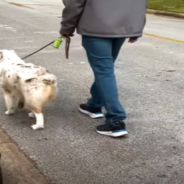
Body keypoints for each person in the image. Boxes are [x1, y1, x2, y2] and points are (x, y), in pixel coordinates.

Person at [60, 0, 147, 137]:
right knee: (105, 70)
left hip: (95, 27)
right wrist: (136, 28)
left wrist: (67, 28)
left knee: (104, 71)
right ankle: (94, 105)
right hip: (123, 27)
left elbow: (74, 3)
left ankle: (115, 119)